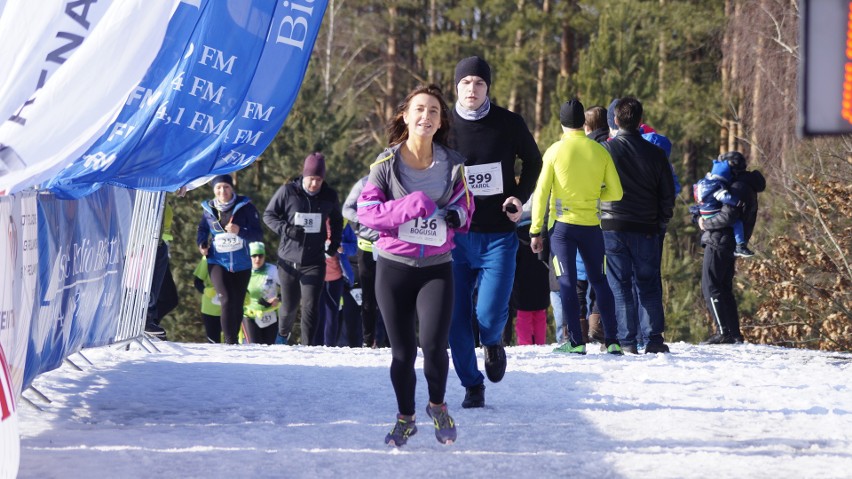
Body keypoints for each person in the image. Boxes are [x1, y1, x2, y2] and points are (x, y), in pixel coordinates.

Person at [357, 84, 473, 447]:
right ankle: (405, 418)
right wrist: (412, 205)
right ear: (405, 116)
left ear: (440, 122)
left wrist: (456, 214)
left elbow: (467, 206)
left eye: (434, 111)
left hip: (437, 266)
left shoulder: (455, 163)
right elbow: (366, 213)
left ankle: (437, 406)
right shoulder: (384, 163)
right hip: (394, 268)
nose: (426, 116)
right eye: (419, 109)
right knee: (403, 353)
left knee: (435, 345)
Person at [448, 55, 542, 408]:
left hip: (498, 236)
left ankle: (492, 341)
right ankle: (472, 384)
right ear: (456, 86)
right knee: (455, 319)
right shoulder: (443, 125)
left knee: (488, 314)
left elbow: (534, 162)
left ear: (488, 87)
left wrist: (520, 196)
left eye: (479, 83)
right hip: (455, 238)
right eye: (466, 83)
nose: (472, 89)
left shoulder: (508, 123)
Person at [530, 98, 624, 355]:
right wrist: (593, 195)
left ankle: (575, 342)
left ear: (561, 123)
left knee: (568, 282)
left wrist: (535, 230)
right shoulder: (600, 150)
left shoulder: (554, 151)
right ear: (583, 123)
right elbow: (615, 193)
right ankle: (613, 340)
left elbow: (541, 194)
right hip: (592, 226)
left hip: (561, 228)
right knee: (600, 281)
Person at [600, 97, 675, 355]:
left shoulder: (605, 151)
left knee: (620, 285)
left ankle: (627, 341)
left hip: (613, 225)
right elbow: (667, 194)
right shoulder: (656, 154)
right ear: (640, 121)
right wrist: (661, 220)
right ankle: (654, 338)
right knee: (648, 284)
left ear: (616, 121)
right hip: (646, 226)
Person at [263, 153, 343, 345]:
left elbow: (338, 220)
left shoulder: (329, 195)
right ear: (304, 176)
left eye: (318, 179)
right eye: (311, 179)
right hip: (288, 260)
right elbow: (269, 215)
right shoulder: (288, 192)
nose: (314, 184)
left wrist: (333, 243)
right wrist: (287, 230)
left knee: (310, 306)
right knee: (289, 306)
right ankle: (283, 336)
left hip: (314, 261)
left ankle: (308, 346)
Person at [698, 151, 766, 344]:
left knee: (711, 286)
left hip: (720, 240)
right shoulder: (745, 184)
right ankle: (733, 333)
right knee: (723, 287)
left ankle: (724, 332)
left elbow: (729, 216)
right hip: (728, 242)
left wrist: (705, 224)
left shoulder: (737, 187)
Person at [197, 174, 263, 345]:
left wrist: (239, 230)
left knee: (237, 300)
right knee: (226, 298)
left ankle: (234, 339)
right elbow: (202, 230)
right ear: (214, 190)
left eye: (225, 187)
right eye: (218, 187)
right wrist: (202, 243)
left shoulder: (246, 207)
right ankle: (229, 341)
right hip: (217, 262)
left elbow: (258, 234)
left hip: (242, 263)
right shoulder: (208, 209)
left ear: (232, 187)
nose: (222, 191)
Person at [342, 176, 387, 347]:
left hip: (390, 247)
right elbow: (346, 209)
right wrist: (366, 219)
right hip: (367, 248)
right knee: (368, 297)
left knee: (390, 295)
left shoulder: (398, 180)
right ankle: (368, 340)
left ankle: (390, 341)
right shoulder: (363, 183)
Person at [693, 157, 754, 258]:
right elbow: (724, 197)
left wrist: (700, 216)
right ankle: (740, 246)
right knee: (737, 223)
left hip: (704, 213)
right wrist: (737, 202)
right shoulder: (716, 186)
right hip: (713, 214)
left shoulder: (702, 183)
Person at [512, 199, 550, 345]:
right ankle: (540, 343)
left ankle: (524, 344)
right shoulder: (542, 235)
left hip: (521, 279)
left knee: (524, 313)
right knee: (540, 312)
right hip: (541, 276)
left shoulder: (515, 237)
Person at [242, 242, 281, 345]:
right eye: (254, 256)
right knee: (254, 348)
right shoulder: (243, 271)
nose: (257, 259)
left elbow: (288, 290)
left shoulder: (272, 270)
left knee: (269, 348)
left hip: (271, 314)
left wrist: (279, 299)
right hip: (250, 316)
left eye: (260, 255)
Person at [193, 257, 222, 343]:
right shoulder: (208, 257)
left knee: (232, 343)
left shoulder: (236, 254)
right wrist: (205, 290)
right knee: (214, 344)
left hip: (231, 309)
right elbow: (197, 282)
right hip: (210, 310)